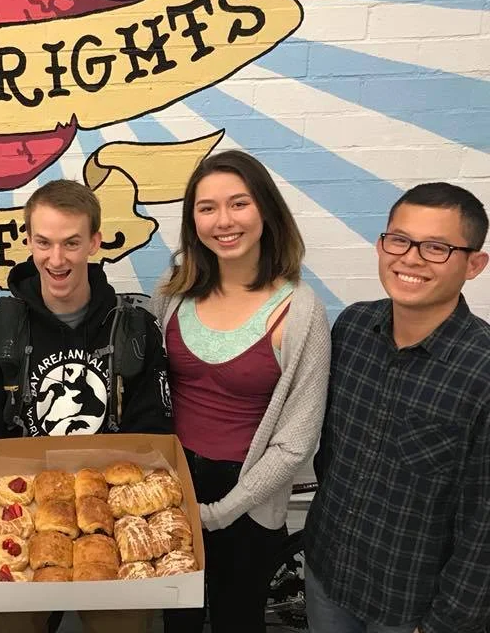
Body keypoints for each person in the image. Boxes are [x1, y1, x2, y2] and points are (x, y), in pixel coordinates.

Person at [0, 179, 173, 633]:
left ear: (95, 242)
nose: (56, 259)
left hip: (112, 518)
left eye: (71, 243)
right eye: (44, 242)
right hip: (17, 519)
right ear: (28, 241)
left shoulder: (137, 329)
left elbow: (153, 440)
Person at [151, 149, 331, 633]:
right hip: (173, 488)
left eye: (239, 203)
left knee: (238, 619)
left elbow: (296, 442)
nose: (224, 221)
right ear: (193, 221)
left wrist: (219, 512)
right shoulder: (173, 290)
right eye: (207, 208)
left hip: (249, 500)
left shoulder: (301, 311)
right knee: (178, 617)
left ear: (266, 210)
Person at [305, 182, 490, 633]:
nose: (411, 258)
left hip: (413, 606)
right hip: (328, 570)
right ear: (381, 244)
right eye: (400, 240)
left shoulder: (482, 371)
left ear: (474, 264)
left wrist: (445, 623)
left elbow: (483, 527)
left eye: (437, 248)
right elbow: (332, 452)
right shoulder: (352, 328)